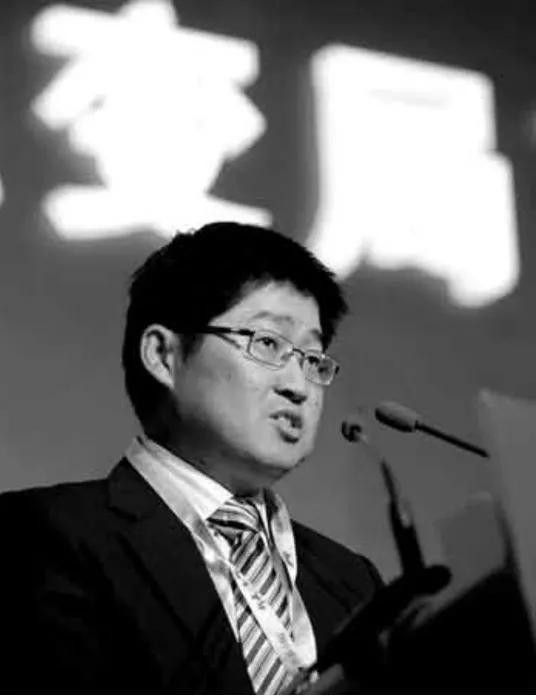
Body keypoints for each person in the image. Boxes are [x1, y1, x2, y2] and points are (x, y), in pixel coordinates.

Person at [0, 222, 381, 693]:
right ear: (163, 355)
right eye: (268, 343)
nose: (298, 386)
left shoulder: (352, 580)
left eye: (313, 359)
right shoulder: (39, 534)